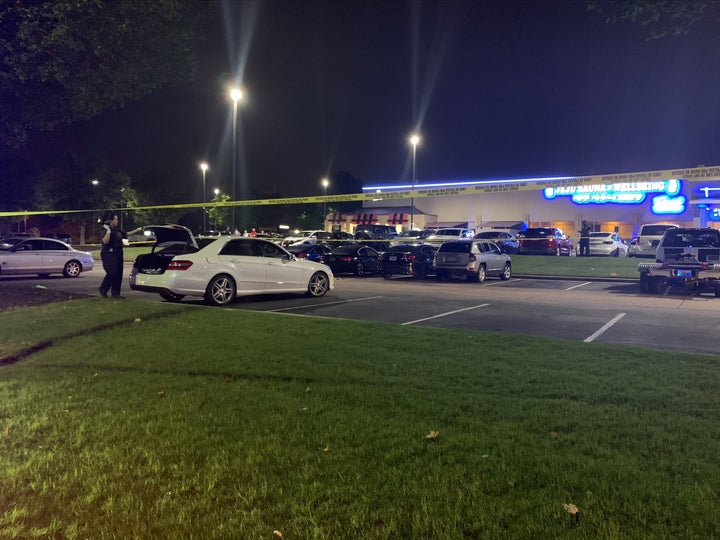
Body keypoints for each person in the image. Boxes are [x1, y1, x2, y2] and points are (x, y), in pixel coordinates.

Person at [98, 212, 143, 299]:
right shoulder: (105, 229)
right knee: (112, 272)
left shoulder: (117, 229)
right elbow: (105, 241)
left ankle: (116, 294)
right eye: (115, 219)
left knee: (118, 274)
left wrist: (138, 230)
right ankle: (103, 289)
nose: (117, 221)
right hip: (109, 254)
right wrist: (108, 231)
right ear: (111, 220)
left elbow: (126, 234)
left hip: (118, 253)